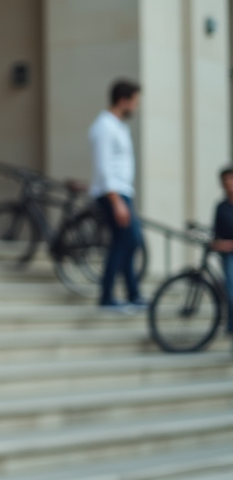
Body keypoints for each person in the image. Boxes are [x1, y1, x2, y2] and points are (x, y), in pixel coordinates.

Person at [89, 79, 145, 312]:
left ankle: (133, 294)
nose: (136, 107)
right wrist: (116, 201)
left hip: (122, 193)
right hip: (112, 194)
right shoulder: (104, 127)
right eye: (135, 101)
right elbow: (104, 167)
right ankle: (106, 296)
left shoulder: (118, 126)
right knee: (127, 241)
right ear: (123, 100)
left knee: (127, 243)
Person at [213, 166, 233, 335]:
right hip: (227, 255)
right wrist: (218, 243)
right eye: (225, 180)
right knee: (229, 288)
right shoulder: (221, 207)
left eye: (230, 179)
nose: (228, 184)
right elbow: (216, 233)